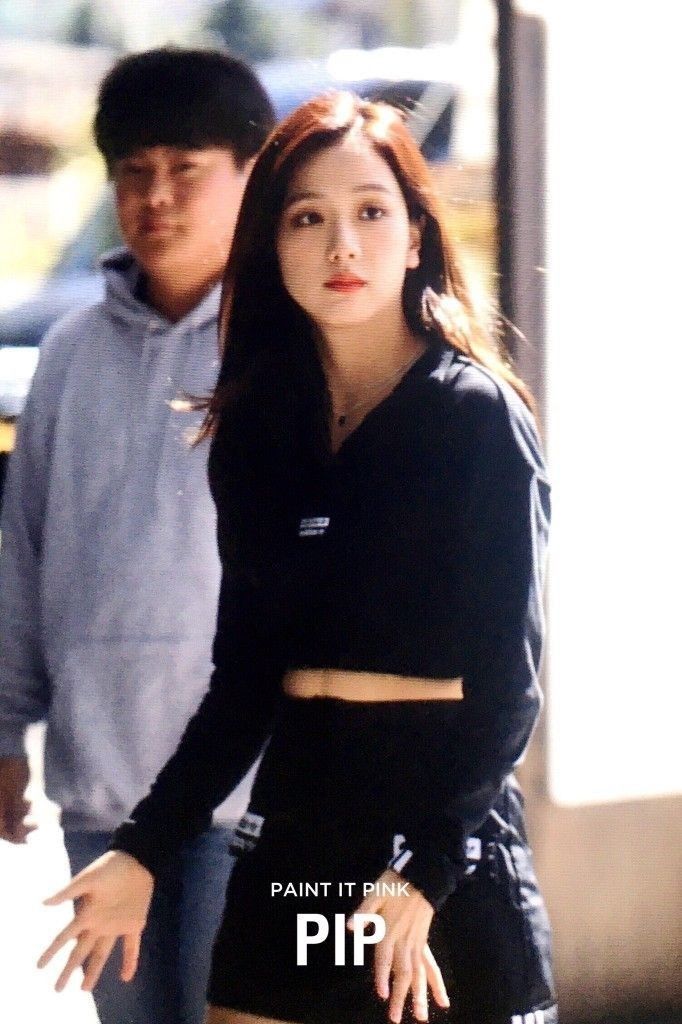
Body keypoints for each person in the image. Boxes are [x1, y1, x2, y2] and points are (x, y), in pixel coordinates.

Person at [37, 92, 557, 1024]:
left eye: (371, 212)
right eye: (307, 219)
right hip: (295, 831)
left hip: (434, 845)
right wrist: (143, 847)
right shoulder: (258, 430)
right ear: (271, 247)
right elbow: (243, 683)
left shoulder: (473, 418)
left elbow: (509, 688)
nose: (341, 246)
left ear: (414, 238)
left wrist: (427, 870)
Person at [0, 47, 276, 1024]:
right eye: (133, 170)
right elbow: (23, 554)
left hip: (251, 802)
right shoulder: (70, 352)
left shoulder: (285, 346)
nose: (155, 196)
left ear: (251, 173)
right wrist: (4, 729)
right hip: (102, 793)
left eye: (186, 169)